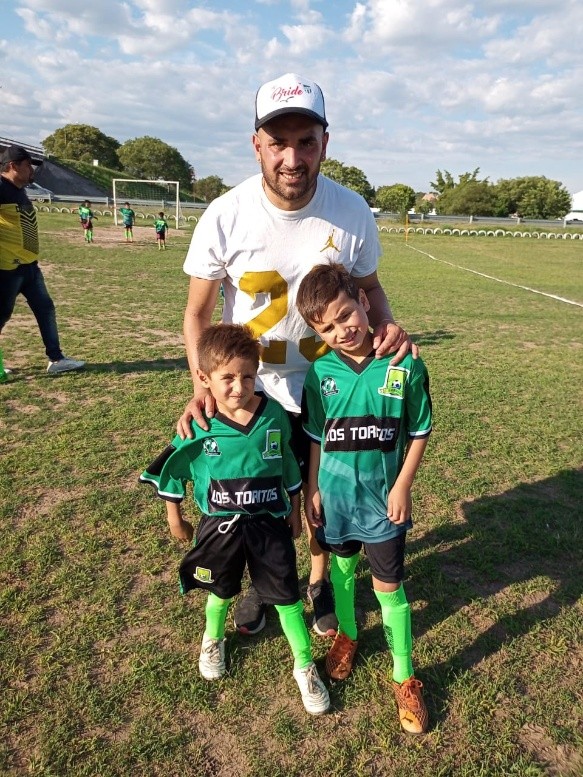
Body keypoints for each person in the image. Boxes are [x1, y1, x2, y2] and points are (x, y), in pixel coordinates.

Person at [177, 72, 415, 639]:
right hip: (252, 388)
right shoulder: (225, 214)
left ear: (324, 144)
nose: (292, 157)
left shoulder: (351, 210)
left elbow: (370, 287)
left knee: (320, 494)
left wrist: (387, 324)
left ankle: (319, 580)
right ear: (256, 144)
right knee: (257, 496)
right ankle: (262, 583)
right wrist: (204, 386)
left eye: (305, 142)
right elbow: (197, 313)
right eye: (277, 142)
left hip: (329, 384)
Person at [140, 323, 330, 716]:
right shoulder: (198, 424)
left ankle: (304, 665)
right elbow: (171, 471)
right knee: (220, 590)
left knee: (287, 598)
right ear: (204, 378)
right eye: (227, 378)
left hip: (268, 525)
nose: (238, 387)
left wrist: (294, 510)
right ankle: (212, 639)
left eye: (247, 376)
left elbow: (288, 468)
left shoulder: (273, 415)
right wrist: (175, 518)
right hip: (219, 526)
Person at [297, 263, 431, 735]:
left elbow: (419, 429)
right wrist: (313, 488)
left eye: (345, 315)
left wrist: (402, 485)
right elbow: (316, 436)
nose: (341, 331)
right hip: (336, 500)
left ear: (364, 302)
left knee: (389, 589)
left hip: (382, 503)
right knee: (342, 571)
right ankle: (349, 636)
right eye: (326, 328)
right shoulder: (321, 373)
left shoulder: (403, 364)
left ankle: (404, 676)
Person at [0, 145, 85, 375]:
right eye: (28, 165)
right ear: (12, 166)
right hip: (7, 268)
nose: (32, 170)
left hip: (30, 266)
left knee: (45, 308)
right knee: (2, 315)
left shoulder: (19, 190)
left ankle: (56, 359)